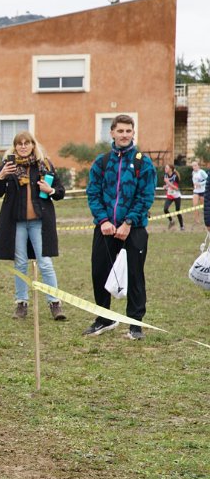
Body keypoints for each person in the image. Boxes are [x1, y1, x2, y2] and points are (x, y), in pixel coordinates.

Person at [84, 114, 155, 340]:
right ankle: (104, 319)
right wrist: (103, 220)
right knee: (99, 272)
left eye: (128, 131)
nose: (124, 135)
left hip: (134, 229)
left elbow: (145, 196)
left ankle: (135, 324)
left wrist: (128, 222)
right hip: (105, 228)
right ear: (112, 133)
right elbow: (93, 193)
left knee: (135, 275)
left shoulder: (143, 162)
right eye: (120, 131)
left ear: (133, 133)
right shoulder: (102, 162)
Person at [0, 131, 67, 321]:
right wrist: (1, 176)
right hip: (17, 223)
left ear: (33, 145)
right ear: (15, 147)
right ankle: (21, 303)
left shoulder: (44, 165)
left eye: (27, 143)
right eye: (19, 143)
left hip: (40, 222)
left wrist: (50, 190)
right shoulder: (8, 166)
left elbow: (60, 192)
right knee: (21, 263)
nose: (23, 146)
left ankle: (54, 303)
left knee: (45, 263)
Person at [162, 163, 184, 231]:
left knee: (177, 211)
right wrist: (165, 186)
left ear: (170, 169)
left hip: (176, 196)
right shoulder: (166, 175)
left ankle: (182, 226)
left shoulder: (175, 176)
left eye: (166, 168)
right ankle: (171, 221)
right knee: (165, 209)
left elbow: (176, 188)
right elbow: (168, 185)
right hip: (170, 195)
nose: (165, 169)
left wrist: (168, 183)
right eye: (165, 168)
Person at [191, 160, 207, 227]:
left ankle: (206, 219)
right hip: (196, 191)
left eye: (195, 165)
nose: (194, 167)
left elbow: (208, 179)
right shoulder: (193, 172)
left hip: (203, 191)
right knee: (195, 205)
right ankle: (197, 220)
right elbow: (194, 180)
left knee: (204, 206)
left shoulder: (202, 172)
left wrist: (200, 184)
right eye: (193, 166)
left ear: (198, 166)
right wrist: (195, 184)